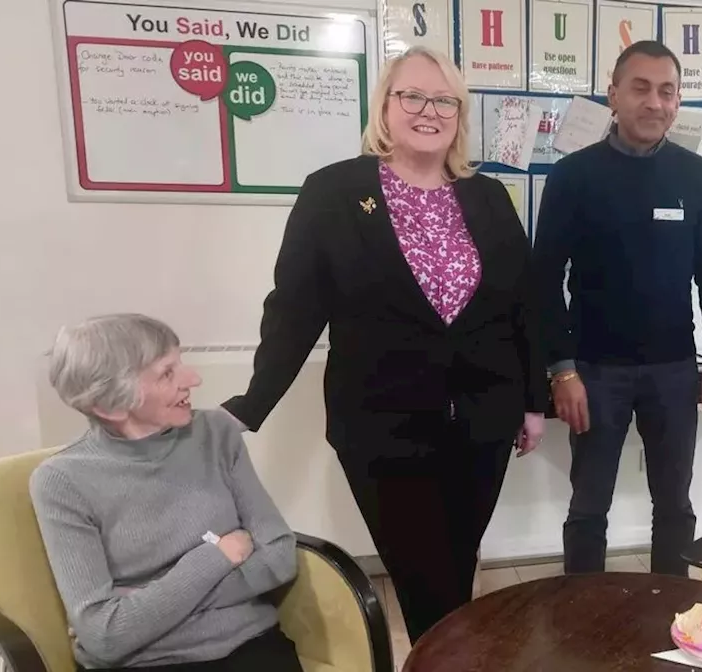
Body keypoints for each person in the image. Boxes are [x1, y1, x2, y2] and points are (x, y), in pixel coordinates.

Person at [222, 46, 546, 642]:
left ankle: (441, 656)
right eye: (413, 96)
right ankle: (444, 657)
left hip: (482, 420)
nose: (429, 111)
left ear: (460, 113)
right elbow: (295, 308)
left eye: (444, 99)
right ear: (385, 108)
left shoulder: (488, 197)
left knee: (455, 565)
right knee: (424, 576)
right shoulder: (333, 194)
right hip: (381, 425)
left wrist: (532, 400)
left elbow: (521, 306)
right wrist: (252, 402)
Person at [533, 40, 702, 576]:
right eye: (640, 88)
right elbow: (543, 280)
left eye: (667, 91)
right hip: (593, 371)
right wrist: (561, 370)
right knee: (587, 509)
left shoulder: (695, 175)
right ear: (613, 95)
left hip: (673, 371)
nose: (654, 102)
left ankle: (671, 616)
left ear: (677, 101)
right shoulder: (573, 176)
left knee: (674, 507)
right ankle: (584, 620)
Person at [31, 314, 301, 671]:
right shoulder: (61, 482)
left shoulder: (217, 433)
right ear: (111, 405)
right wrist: (217, 556)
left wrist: (147, 607)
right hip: (144, 664)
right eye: (167, 373)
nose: (194, 379)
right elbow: (106, 637)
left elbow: (280, 556)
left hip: (249, 646)